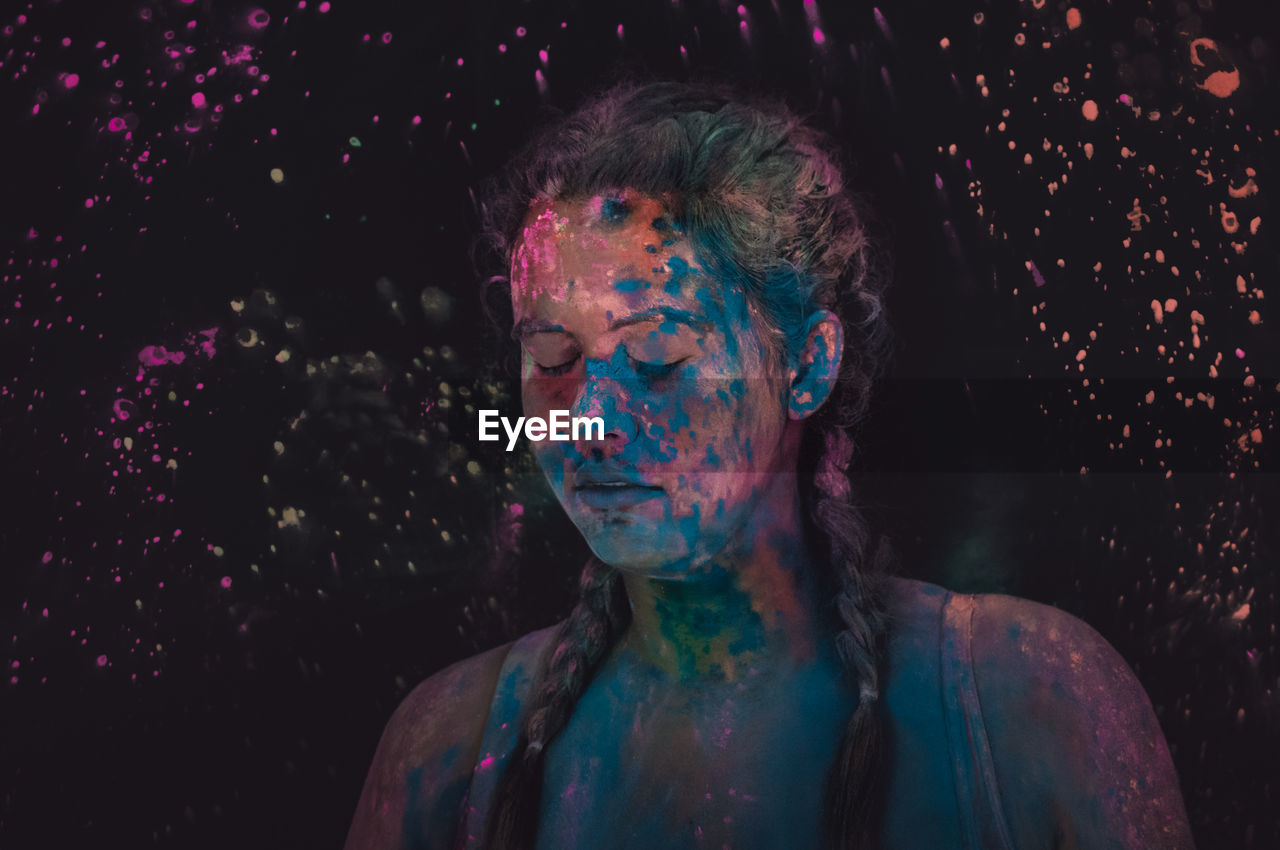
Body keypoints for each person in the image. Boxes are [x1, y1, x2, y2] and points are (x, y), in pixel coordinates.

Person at [344, 80, 1194, 850]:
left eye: (659, 355)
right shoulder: (444, 751)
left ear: (808, 365)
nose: (590, 421)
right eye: (554, 354)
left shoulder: (1032, 704)